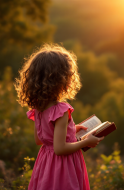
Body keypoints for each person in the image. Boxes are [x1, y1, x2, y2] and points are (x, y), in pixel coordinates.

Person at [15, 44, 104, 190]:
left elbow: (40, 139)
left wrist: (72, 130)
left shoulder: (38, 107)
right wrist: (85, 141)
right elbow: (60, 149)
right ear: (60, 79)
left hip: (46, 165)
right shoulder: (61, 110)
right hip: (63, 167)